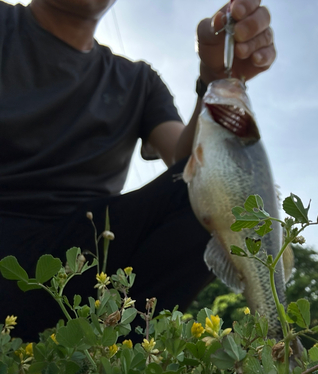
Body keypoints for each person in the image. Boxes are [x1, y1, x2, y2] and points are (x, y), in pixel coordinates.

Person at [0, 0, 276, 341]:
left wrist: (216, 76)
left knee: (212, 193)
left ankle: (110, 347)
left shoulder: (138, 81)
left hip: (92, 256)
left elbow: (187, 163)